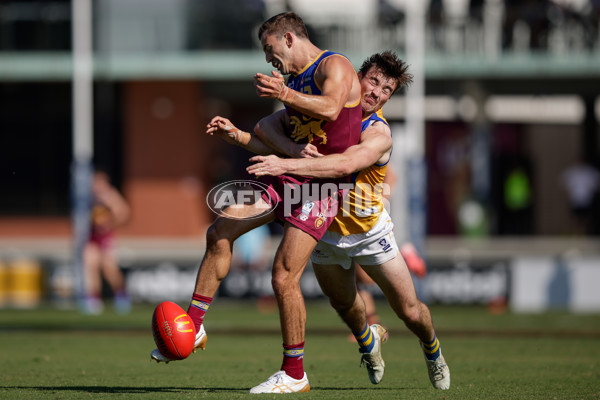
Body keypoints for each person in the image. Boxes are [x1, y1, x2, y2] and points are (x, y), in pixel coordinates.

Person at [151, 12, 364, 394]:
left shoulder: (335, 65)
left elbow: (332, 109)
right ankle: (195, 325)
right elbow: (284, 144)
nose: (268, 60)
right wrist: (237, 135)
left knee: (283, 276)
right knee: (220, 230)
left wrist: (282, 95)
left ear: (287, 38)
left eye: (269, 50)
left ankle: (295, 374)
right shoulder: (294, 81)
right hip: (286, 176)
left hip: (323, 187)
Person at [247, 51, 450, 390]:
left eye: (387, 90)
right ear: (357, 78)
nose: (377, 93)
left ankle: (432, 350)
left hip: (369, 231)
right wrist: (290, 146)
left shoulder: (378, 132)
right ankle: (367, 340)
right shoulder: (330, 110)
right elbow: (267, 126)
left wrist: (287, 163)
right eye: (373, 81)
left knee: (410, 312)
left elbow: (343, 166)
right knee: (345, 303)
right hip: (323, 229)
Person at [82, 170, 131, 315]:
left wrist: (110, 222)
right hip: (92, 236)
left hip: (107, 237)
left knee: (109, 269)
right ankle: (93, 299)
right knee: (90, 265)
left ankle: (121, 295)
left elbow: (124, 213)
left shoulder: (110, 195)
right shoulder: (89, 197)